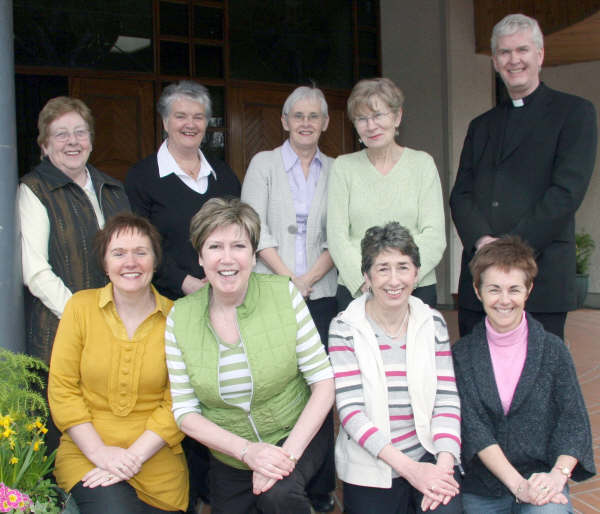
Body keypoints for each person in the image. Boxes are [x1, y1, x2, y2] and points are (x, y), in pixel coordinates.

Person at [165, 197, 334, 514]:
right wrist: (248, 452)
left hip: (296, 434)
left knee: (278, 496)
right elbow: (185, 412)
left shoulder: (284, 294)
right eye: (215, 247)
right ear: (200, 257)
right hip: (231, 451)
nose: (227, 259)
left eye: (238, 246)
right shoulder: (179, 318)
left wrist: (284, 459)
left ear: (254, 255)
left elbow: (323, 382)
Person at [450, 13, 597, 339]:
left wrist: (509, 252)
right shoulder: (481, 125)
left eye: (522, 50)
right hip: (480, 279)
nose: (513, 59)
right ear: (494, 61)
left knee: (537, 385)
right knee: (477, 380)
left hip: (540, 281)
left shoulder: (574, 113)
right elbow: (461, 194)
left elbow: (566, 193)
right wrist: (483, 244)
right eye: (504, 52)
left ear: (540, 55)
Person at [48, 213, 189, 514]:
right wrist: (100, 453)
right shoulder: (80, 308)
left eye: (141, 252)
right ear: (105, 263)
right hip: (87, 455)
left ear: (155, 260)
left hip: (155, 462)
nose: (131, 262)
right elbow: (63, 390)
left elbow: (179, 401)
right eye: (119, 253)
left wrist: (130, 459)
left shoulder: (178, 318)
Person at [241, 85, 337, 512]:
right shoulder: (263, 164)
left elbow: (342, 231)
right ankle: (276, 473)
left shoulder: (338, 169)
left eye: (313, 115)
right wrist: (289, 280)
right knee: (281, 383)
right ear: (284, 121)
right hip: (274, 292)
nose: (305, 123)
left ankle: (319, 486)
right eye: (297, 115)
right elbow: (252, 226)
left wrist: (311, 277)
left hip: (324, 292)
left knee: (322, 388)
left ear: (325, 123)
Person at [452, 236, 595, 513]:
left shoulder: (553, 351)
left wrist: (557, 476)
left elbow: (573, 422)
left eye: (514, 289)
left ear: (528, 290)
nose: (504, 300)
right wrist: (519, 487)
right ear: (478, 291)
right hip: (483, 488)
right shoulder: (462, 355)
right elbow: (474, 429)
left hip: (542, 479)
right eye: (494, 289)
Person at [328, 222, 462, 514]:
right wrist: (410, 470)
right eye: (382, 268)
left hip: (428, 454)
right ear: (367, 276)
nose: (394, 279)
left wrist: (444, 464)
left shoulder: (433, 323)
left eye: (403, 267)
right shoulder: (344, 328)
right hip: (372, 463)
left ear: (416, 273)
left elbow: (447, 400)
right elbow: (350, 411)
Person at [18, 96, 130, 365]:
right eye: (61, 134)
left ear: (90, 140)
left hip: (119, 328)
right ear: (45, 145)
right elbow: (35, 272)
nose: (73, 141)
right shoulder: (34, 190)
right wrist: (84, 319)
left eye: (80, 132)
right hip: (61, 332)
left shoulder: (113, 188)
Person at [327, 77, 446, 312]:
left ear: (397, 117)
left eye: (378, 115)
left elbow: (434, 235)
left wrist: (400, 279)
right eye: (362, 118)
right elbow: (337, 236)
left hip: (416, 288)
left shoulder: (422, 164)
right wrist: (368, 282)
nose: (371, 126)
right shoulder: (343, 167)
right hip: (359, 290)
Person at [125, 80, 241, 301]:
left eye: (198, 117)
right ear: (165, 122)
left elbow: (239, 234)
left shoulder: (225, 176)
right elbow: (139, 243)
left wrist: (220, 278)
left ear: (206, 123)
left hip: (222, 294)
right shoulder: (141, 177)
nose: (190, 124)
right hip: (164, 301)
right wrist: (184, 282)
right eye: (180, 116)